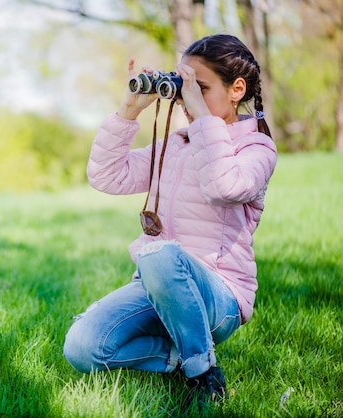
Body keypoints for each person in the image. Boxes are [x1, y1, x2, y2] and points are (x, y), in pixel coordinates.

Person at [63, 34, 277, 402]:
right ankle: (178, 359)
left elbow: (223, 186)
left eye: (201, 88)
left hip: (219, 296)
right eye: (183, 89)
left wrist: (203, 120)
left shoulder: (256, 148)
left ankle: (203, 372)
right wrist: (129, 110)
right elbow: (107, 176)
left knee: (158, 254)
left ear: (236, 89)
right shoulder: (175, 144)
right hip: (157, 282)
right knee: (83, 347)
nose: (187, 101)